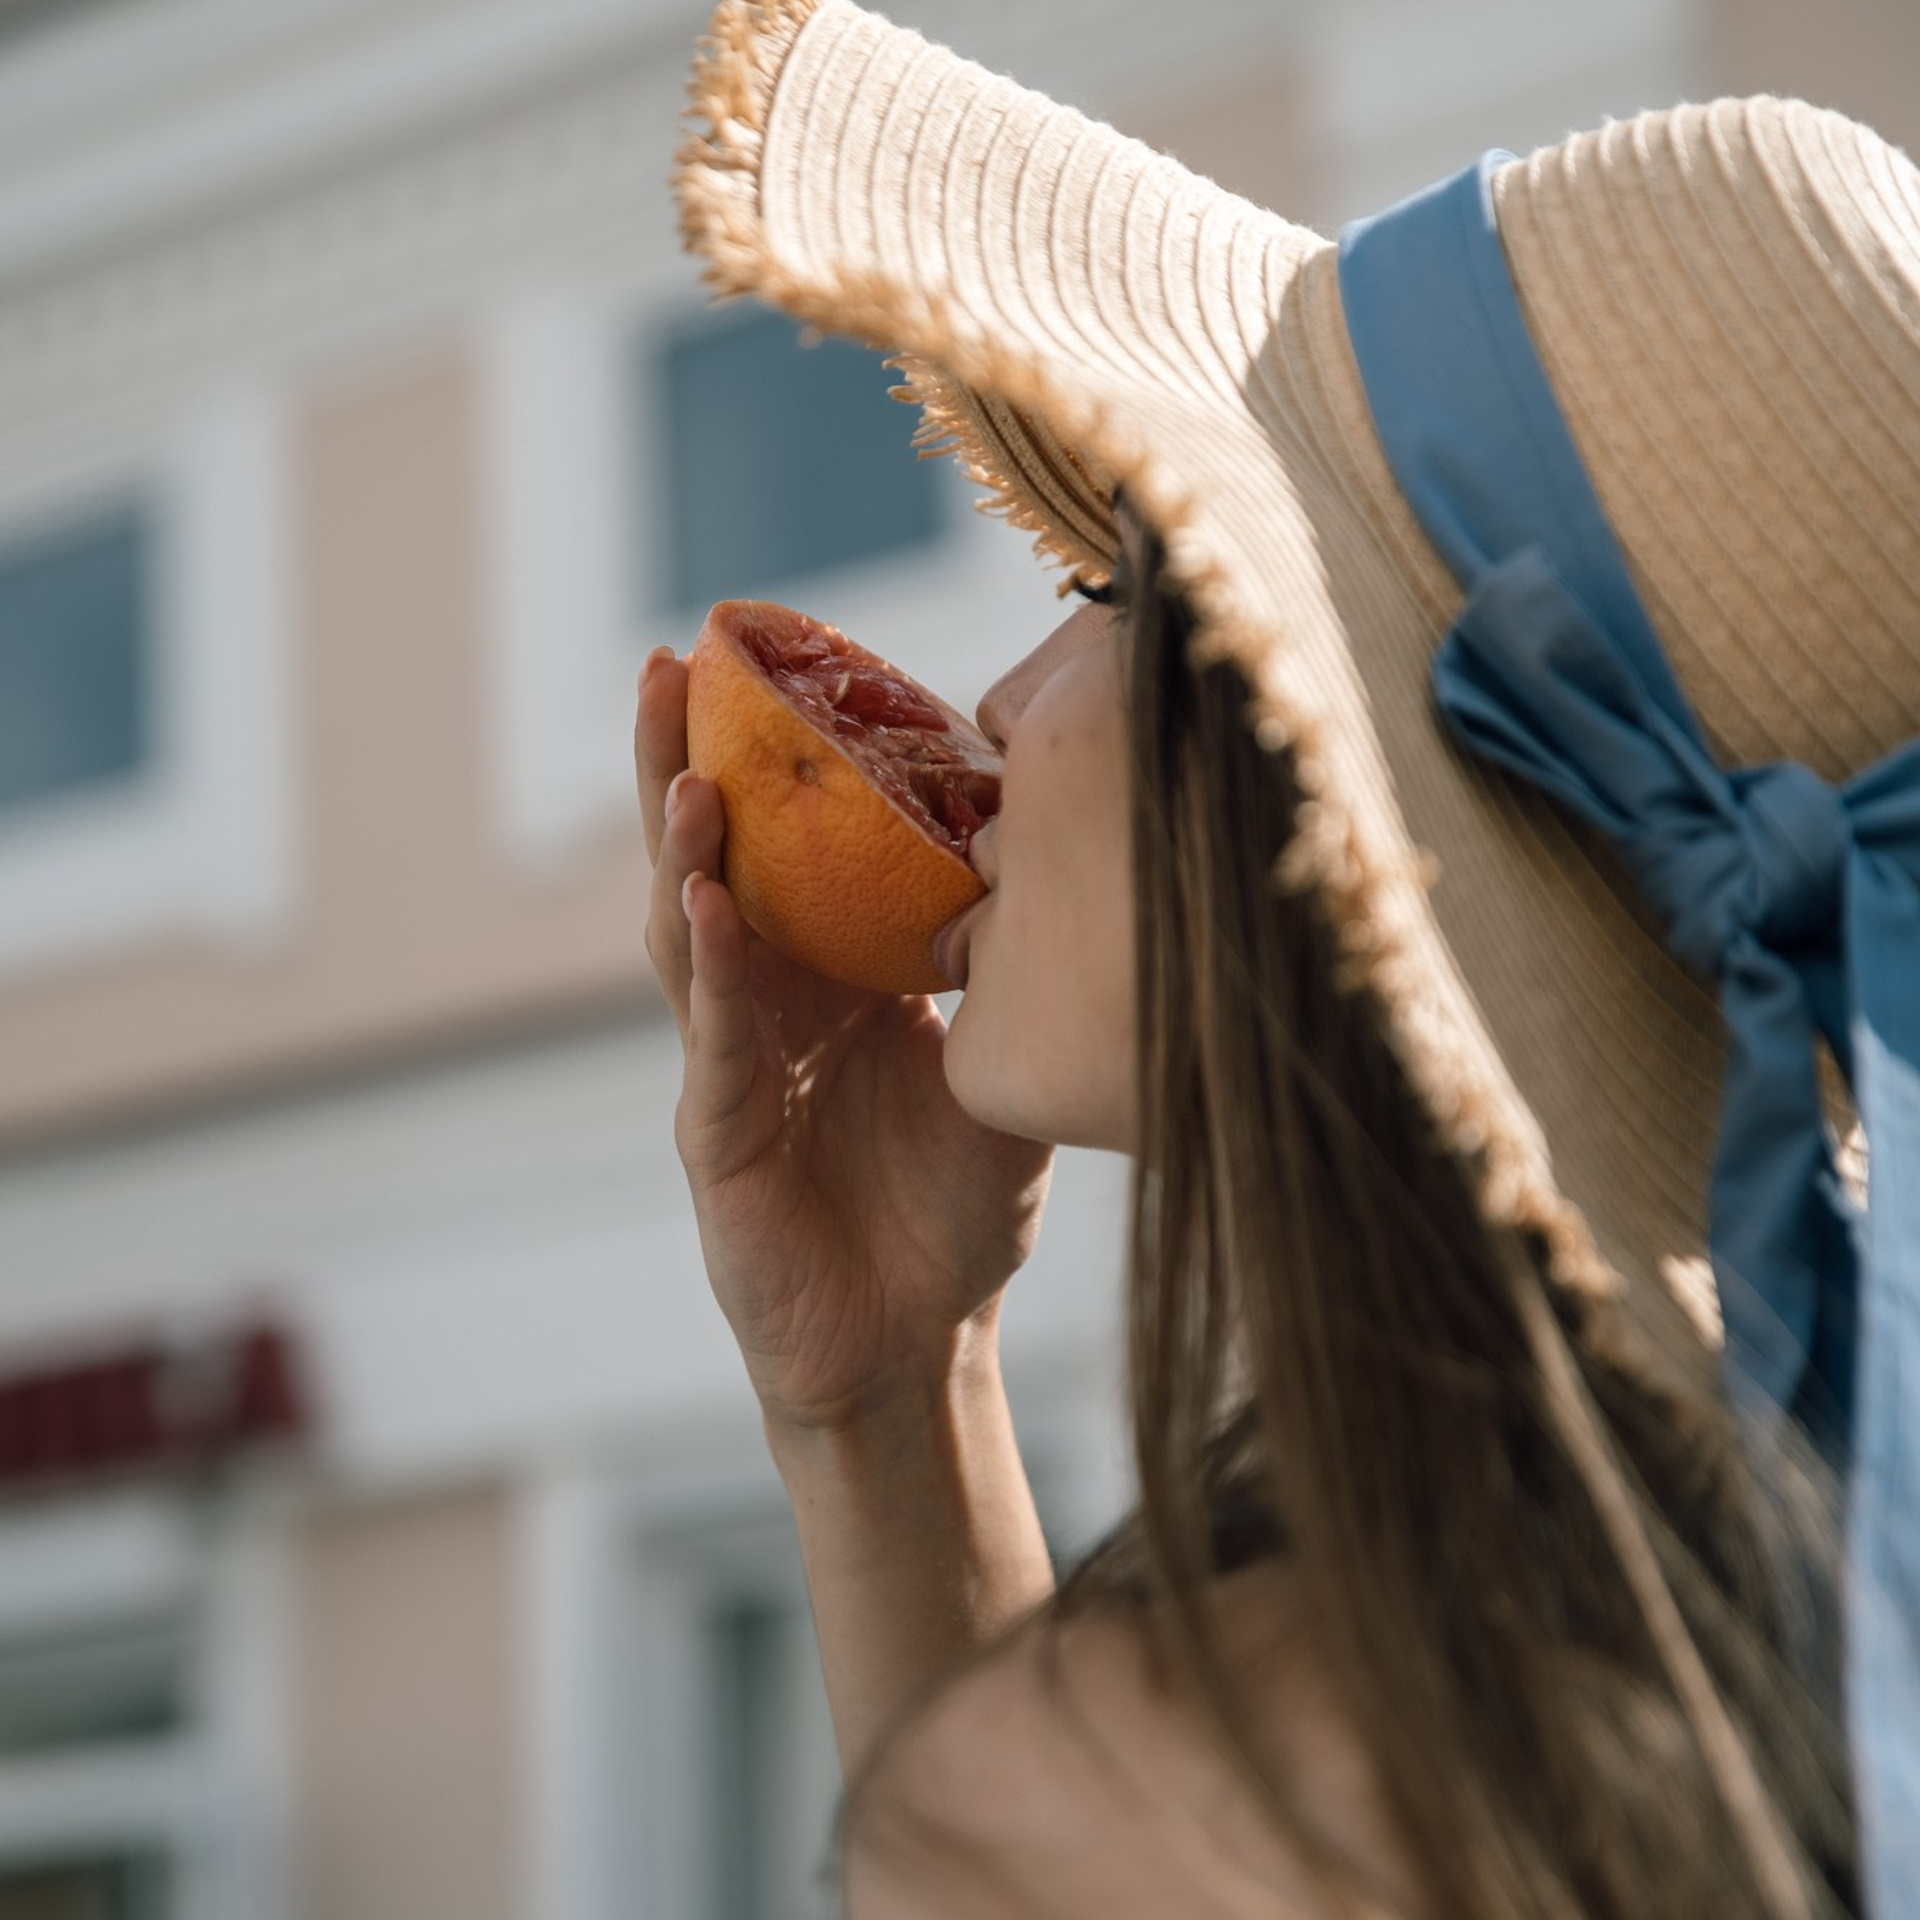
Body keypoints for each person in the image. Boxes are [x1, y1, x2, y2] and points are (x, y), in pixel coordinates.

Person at [638, 2, 1920, 1914]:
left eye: (1128, 587)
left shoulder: (1215, 1780)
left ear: (1322, 752)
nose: (998, 697)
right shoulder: (1764, 1590)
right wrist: (892, 1391)